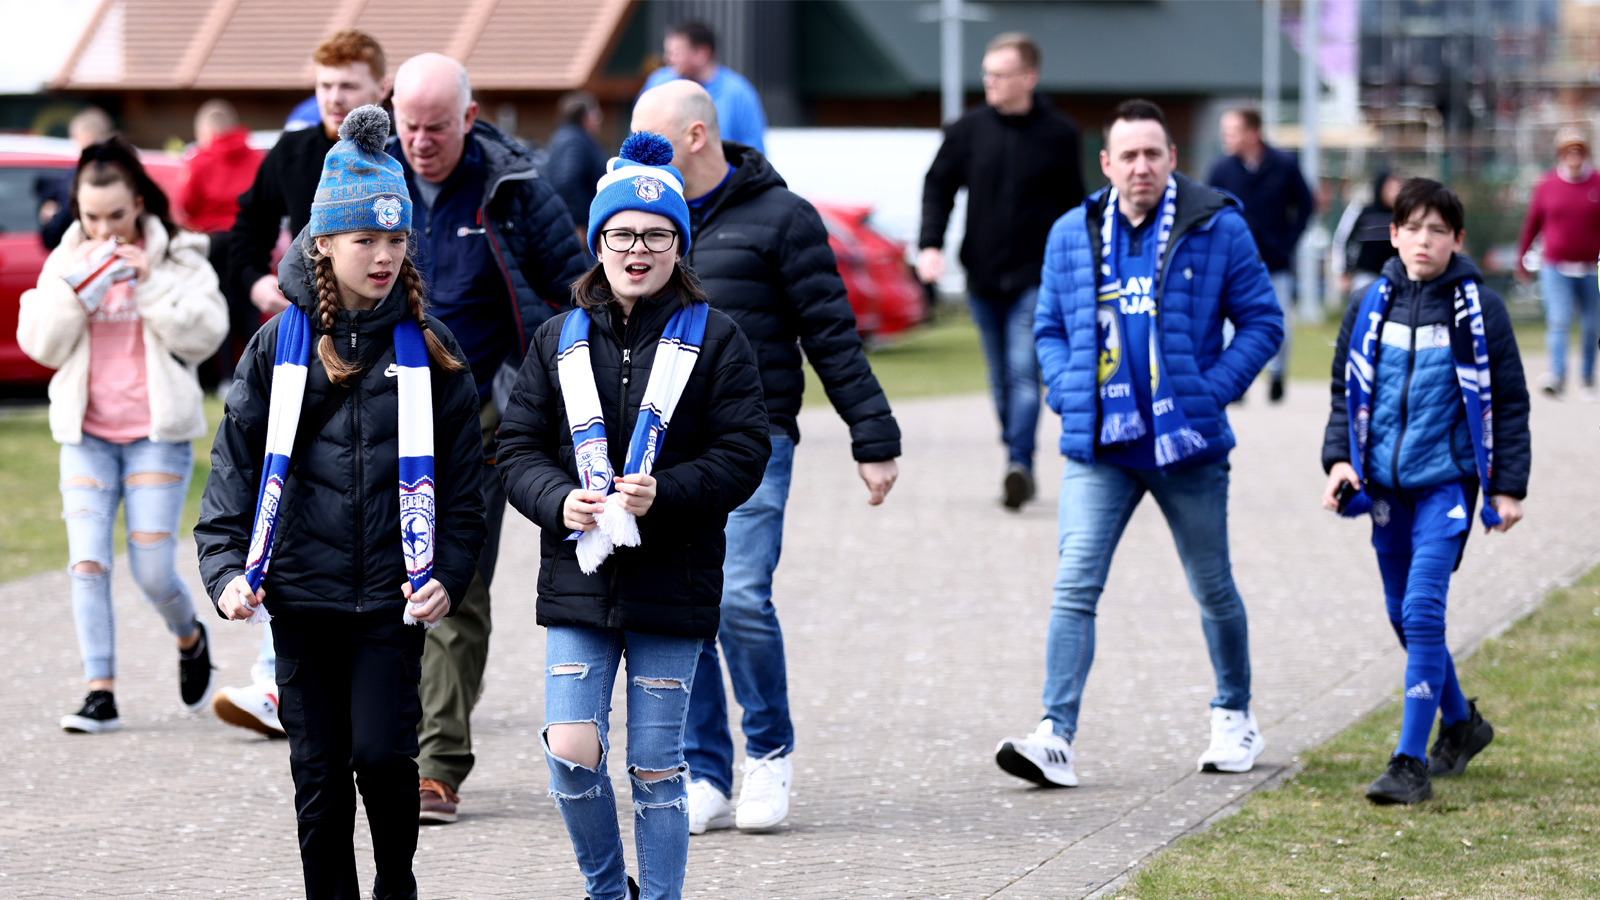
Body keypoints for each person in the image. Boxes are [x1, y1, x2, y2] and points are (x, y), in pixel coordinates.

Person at [195, 105, 487, 899]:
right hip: (301, 595)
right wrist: (225, 569)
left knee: (385, 760)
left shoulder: (432, 350)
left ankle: (398, 885)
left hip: (391, 603)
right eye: (367, 240)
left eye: (397, 240)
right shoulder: (274, 346)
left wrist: (449, 576)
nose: (385, 256)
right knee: (318, 774)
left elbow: (468, 493)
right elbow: (232, 472)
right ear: (321, 243)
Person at [496, 130, 770, 900]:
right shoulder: (558, 339)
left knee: (655, 766)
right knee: (571, 750)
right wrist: (559, 499)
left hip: (671, 581)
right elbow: (516, 447)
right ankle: (608, 890)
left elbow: (745, 451)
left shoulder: (718, 340)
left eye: (656, 236)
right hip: (578, 577)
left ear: (679, 246)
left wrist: (670, 491)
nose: (637, 249)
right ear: (599, 242)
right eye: (622, 235)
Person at [632, 80, 901, 834]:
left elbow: (832, 334)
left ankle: (770, 752)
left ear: (694, 136)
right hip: (662, 450)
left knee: (740, 597)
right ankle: (706, 771)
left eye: (647, 138)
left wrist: (872, 437)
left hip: (756, 438)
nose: (633, 153)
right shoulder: (647, 221)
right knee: (687, 608)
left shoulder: (783, 217)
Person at [996, 99, 1283, 789]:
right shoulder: (1072, 231)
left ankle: (1234, 714)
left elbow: (1262, 322)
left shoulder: (1216, 225)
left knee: (1212, 587)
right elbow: (1049, 330)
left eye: (1154, 153)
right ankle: (1054, 736)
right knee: (1074, 585)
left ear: (1173, 158)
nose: (1142, 166)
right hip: (1102, 446)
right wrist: (1068, 393)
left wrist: (1209, 391)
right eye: (1128, 155)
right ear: (1107, 164)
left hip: (1188, 445)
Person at [387, 52, 591, 826]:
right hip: (382, 414)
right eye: (409, 125)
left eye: (437, 127)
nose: (421, 141)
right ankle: (381, 741)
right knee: (383, 584)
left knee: (455, 585)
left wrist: (546, 393)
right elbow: (318, 277)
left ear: (469, 120)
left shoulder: (515, 192)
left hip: (482, 419)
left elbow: (575, 292)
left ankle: (437, 765)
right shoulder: (369, 181)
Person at [1320, 178, 1529, 804]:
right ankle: (1462, 724)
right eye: (1412, 228)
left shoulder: (1480, 309)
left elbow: (1511, 403)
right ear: (1394, 234)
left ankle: (1409, 763)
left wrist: (1510, 488)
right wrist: (1337, 462)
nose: (1424, 240)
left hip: (1446, 488)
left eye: (1438, 230)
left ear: (1457, 240)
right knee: (1399, 613)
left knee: (1420, 611)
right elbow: (1343, 394)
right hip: (1385, 490)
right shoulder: (1367, 305)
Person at [210, 28, 392, 737]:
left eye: (347, 87)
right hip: (296, 343)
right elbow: (246, 227)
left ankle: (348, 679)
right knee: (281, 489)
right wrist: (260, 282)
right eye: (323, 88)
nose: (333, 100)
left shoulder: (391, 163)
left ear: (377, 89)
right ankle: (275, 680)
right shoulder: (290, 154)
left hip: (375, 349)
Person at [17, 136, 228, 733]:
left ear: (138, 203)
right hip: (86, 434)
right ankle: (99, 691)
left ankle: (189, 637)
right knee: (87, 563)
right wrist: (75, 293)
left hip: (155, 435)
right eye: (90, 217)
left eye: (116, 215)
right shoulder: (66, 261)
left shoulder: (179, 254)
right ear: (76, 211)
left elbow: (206, 334)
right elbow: (40, 345)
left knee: (153, 570)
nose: (104, 228)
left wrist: (150, 285)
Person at [917, 32, 1086, 508]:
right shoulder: (967, 130)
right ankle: (1016, 452)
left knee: (1021, 373)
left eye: (999, 73)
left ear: (1028, 77)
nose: (988, 81)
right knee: (999, 380)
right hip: (984, 277)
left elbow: (1075, 206)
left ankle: (1020, 462)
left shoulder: (1060, 134)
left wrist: (1078, 267)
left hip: (1038, 278)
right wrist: (931, 244)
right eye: (986, 72)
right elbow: (938, 187)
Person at [1208, 108, 1312, 403]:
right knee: (1229, 324)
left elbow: (1304, 204)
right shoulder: (1221, 169)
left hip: (1274, 262)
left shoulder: (1284, 165)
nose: (1225, 137)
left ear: (1252, 133)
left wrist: (1288, 243)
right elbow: (1206, 211)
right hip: (1232, 264)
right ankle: (1236, 380)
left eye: (1232, 131)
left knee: (1277, 322)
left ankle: (1277, 376)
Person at [178, 99, 265, 385]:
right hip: (250, 238)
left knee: (222, 307)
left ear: (207, 129)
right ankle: (256, 372)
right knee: (251, 310)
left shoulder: (200, 160)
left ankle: (227, 376)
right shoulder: (257, 158)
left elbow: (186, 203)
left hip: (215, 241)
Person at [1515, 125, 1600, 400]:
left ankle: (1587, 378)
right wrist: (1522, 260)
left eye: (1578, 149)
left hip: (1590, 267)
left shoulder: (1596, 182)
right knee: (1559, 320)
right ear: (1560, 153)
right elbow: (1532, 225)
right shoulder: (1547, 184)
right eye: (1568, 150)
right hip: (1555, 266)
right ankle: (1557, 375)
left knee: (1591, 325)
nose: (1573, 155)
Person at [640, 20, 767, 152]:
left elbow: (754, 153)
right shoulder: (658, 84)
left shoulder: (738, 93)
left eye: (676, 53)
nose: (667, 59)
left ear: (701, 53)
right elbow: (638, 135)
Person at [38, 106, 116, 250]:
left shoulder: (81, 173)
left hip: (87, 254)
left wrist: (50, 221)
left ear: (88, 135)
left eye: (75, 137)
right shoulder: (126, 168)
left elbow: (59, 230)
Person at [1333, 169, 1402, 303]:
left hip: (1398, 275)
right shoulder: (1362, 212)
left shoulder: (1404, 215)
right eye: (1390, 188)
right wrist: (1344, 271)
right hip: (1367, 274)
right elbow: (1343, 240)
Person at [546, 91, 608, 234]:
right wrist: (579, 221)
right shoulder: (573, 141)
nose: (599, 120)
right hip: (576, 226)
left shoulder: (574, 138)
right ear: (585, 117)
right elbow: (565, 181)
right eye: (597, 115)